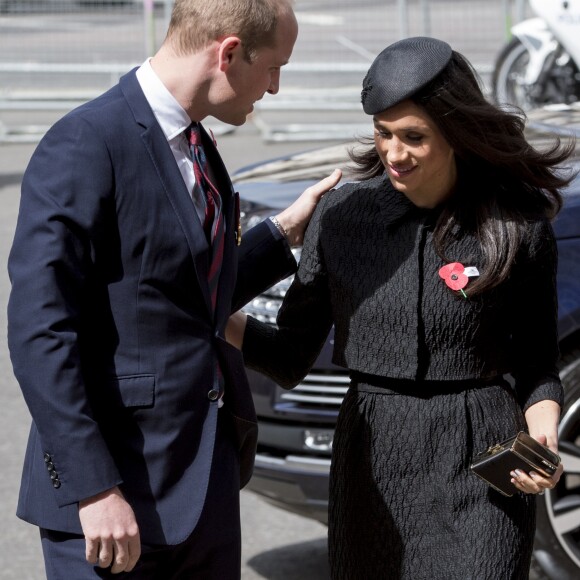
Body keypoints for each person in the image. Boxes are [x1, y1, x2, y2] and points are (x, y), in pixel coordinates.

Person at [6, 0, 341, 578]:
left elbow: (180, 296)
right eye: (274, 67)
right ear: (229, 53)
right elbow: (40, 330)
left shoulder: (197, 141)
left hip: (201, 484)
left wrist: (282, 233)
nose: (276, 88)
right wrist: (93, 490)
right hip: (113, 501)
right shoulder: (86, 142)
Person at [227, 37, 573, 579]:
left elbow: (536, 364)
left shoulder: (517, 225)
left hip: (483, 465)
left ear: (457, 134)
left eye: (414, 137)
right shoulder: (341, 217)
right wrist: (209, 316)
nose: (393, 152)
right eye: (383, 134)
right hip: (372, 459)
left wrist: (542, 433)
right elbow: (291, 354)